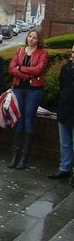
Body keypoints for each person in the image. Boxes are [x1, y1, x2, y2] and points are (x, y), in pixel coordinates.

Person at [8, 27, 49, 170]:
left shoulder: (43, 53)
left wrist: (20, 69)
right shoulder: (19, 51)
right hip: (19, 88)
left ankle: (24, 158)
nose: (31, 39)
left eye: (34, 37)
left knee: (28, 121)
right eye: (30, 36)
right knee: (18, 120)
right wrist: (25, 74)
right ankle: (15, 156)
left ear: (39, 40)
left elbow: (38, 70)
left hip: (34, 91)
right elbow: (11, 68)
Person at [48, 44, 74, 184]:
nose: (73, 55)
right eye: (72, 52)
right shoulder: (66, 68)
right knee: (65, 143)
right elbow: (62, 87)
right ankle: (65, 168)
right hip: (65, 109)